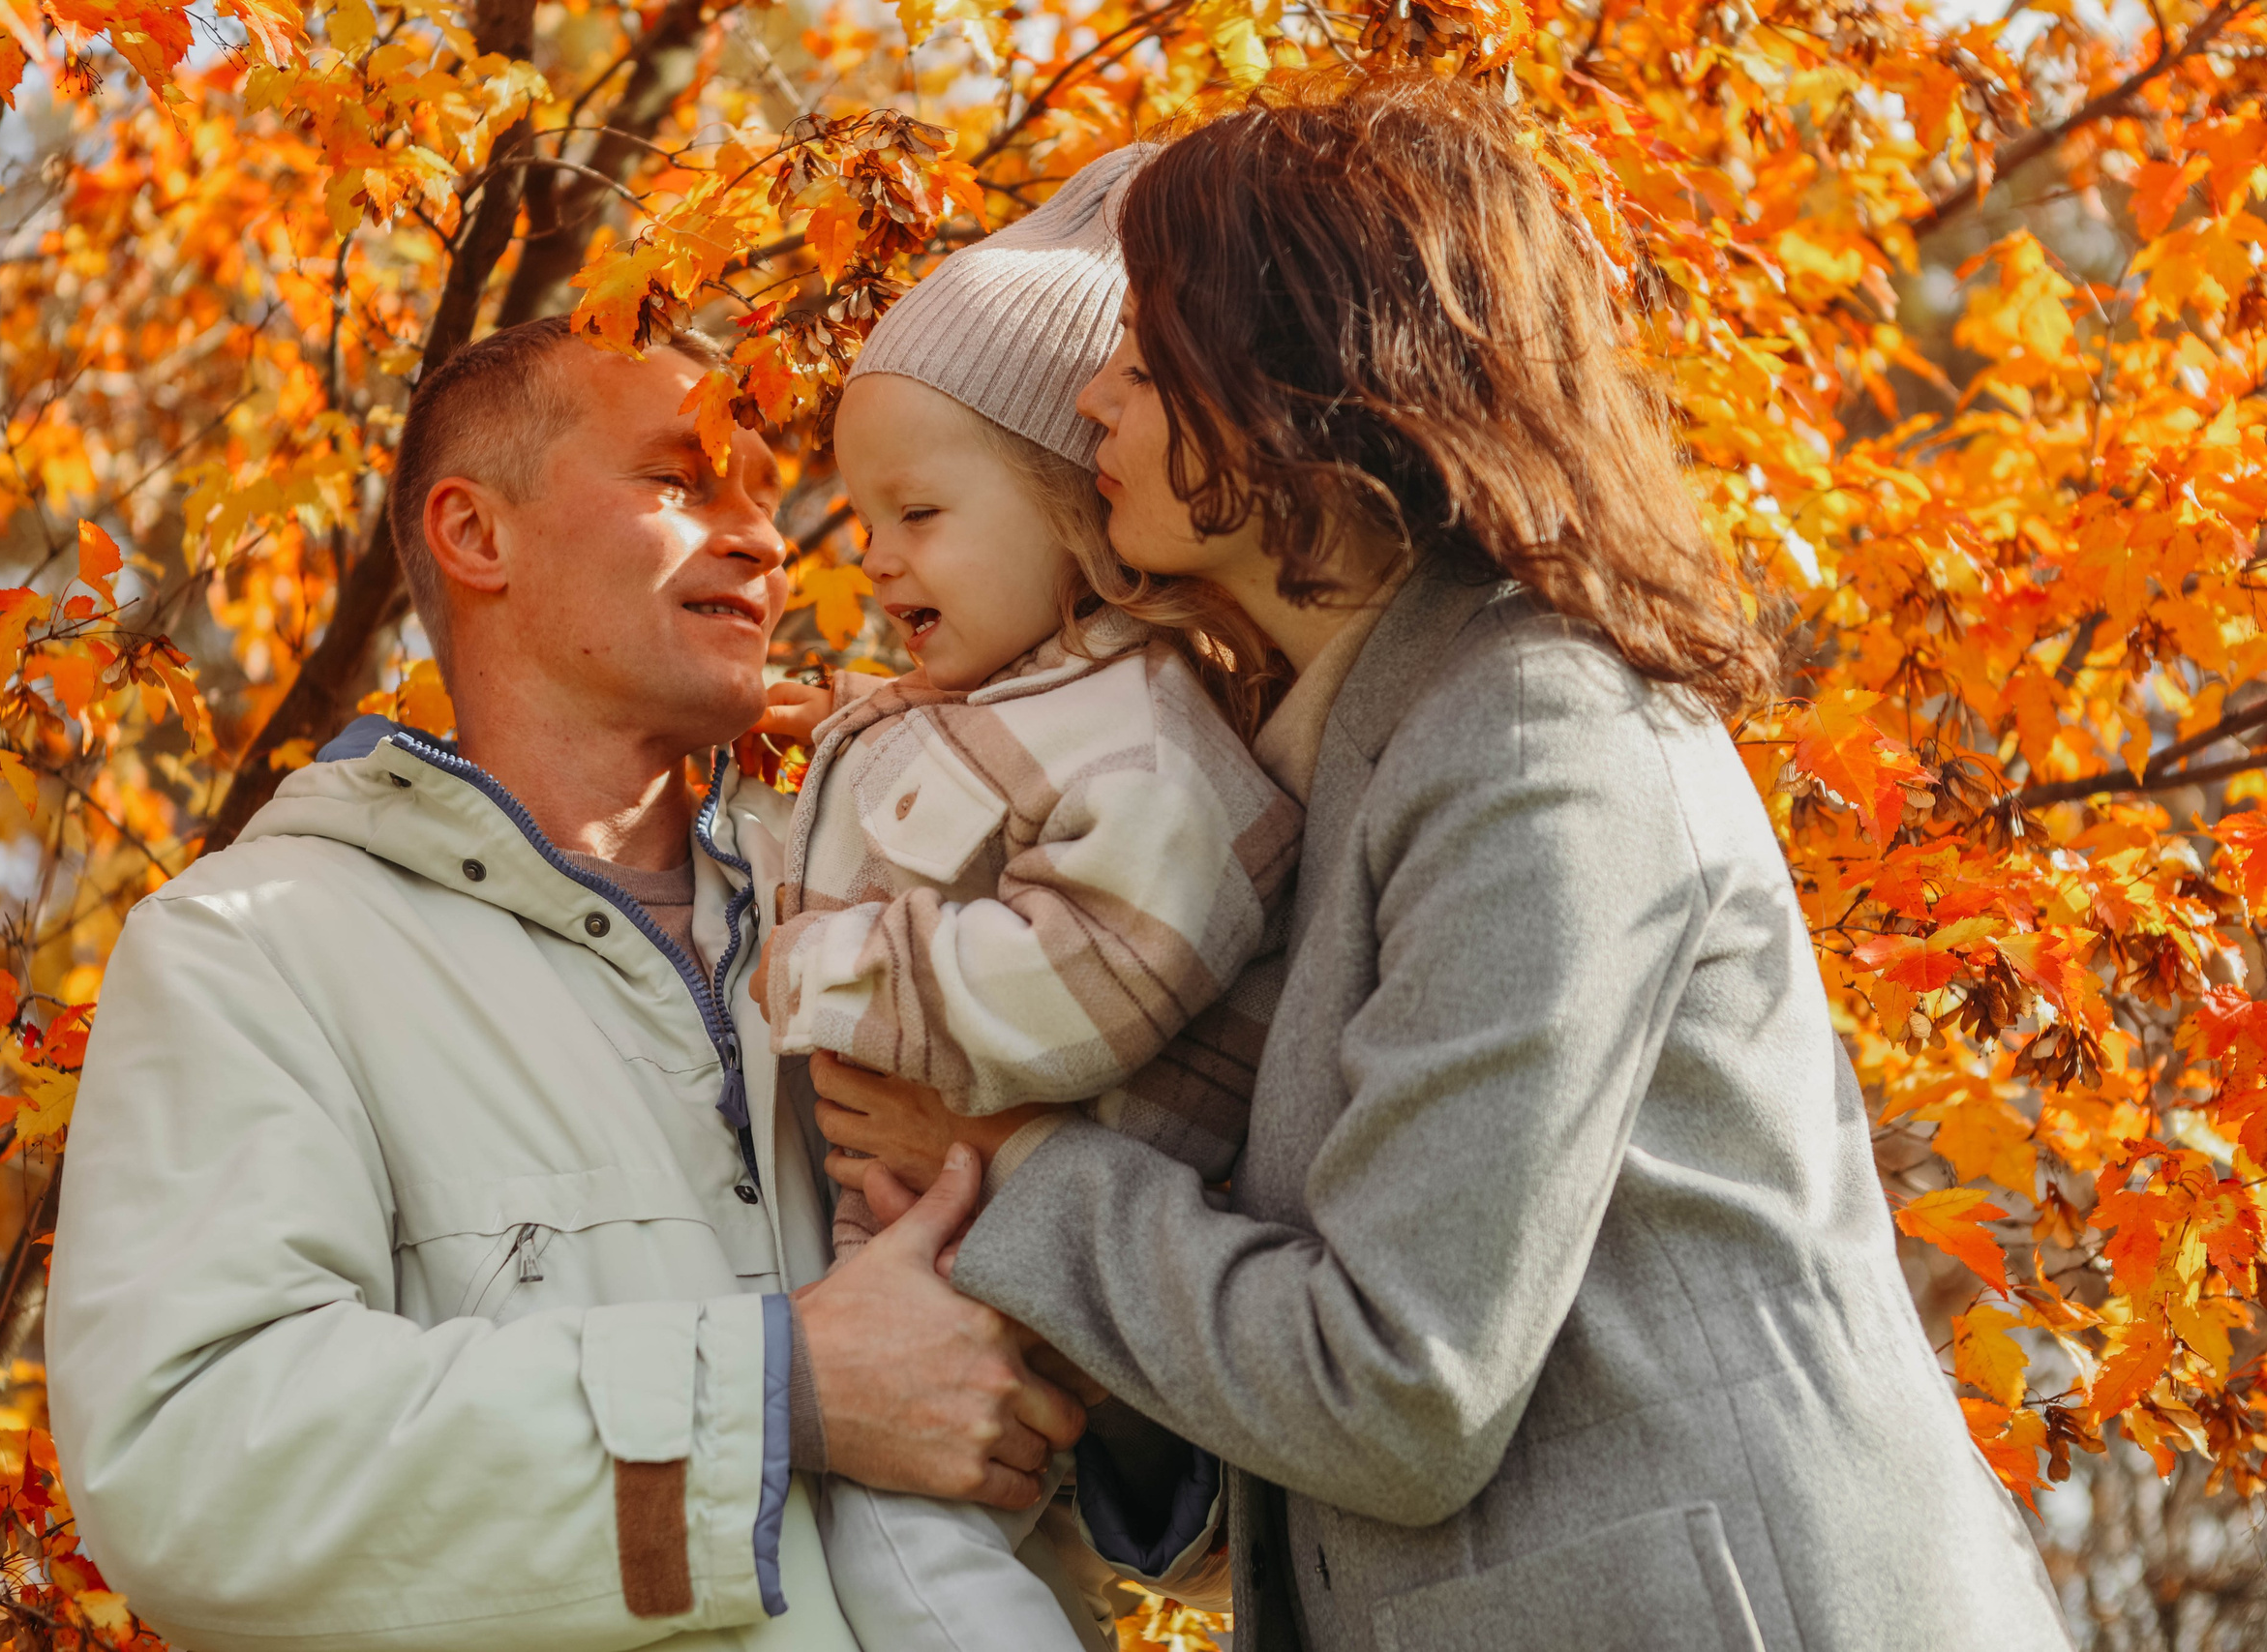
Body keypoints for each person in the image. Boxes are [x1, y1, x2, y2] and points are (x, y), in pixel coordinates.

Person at [807, 75, 2074, 1652]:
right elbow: (1317, 1431)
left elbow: (1403, 1389)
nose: (1092, 407)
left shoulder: (1535, 739)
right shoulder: (1302, 771)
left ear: (1297, 384)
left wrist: (1014, 1163)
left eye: (1141, 360)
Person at [45, 318, 1086, 1652]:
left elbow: (1215, 1485)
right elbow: (198, 1472)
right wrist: (781, 1394)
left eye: (768, 498)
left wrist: (1113, 1426)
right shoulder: (255, 946)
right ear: (477, 536)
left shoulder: (903, 915)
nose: (768, 542)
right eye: (681, 480)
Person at [742, 150, 1291, 1652]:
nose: (877, 557)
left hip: (1024, 1272)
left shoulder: (1150, 730)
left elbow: (1109, 962)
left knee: (918, 1569)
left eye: (918, 512)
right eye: (864, 521)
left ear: (1073, 503)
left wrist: (831, 972)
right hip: (930, 1253)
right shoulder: (1008, 699)